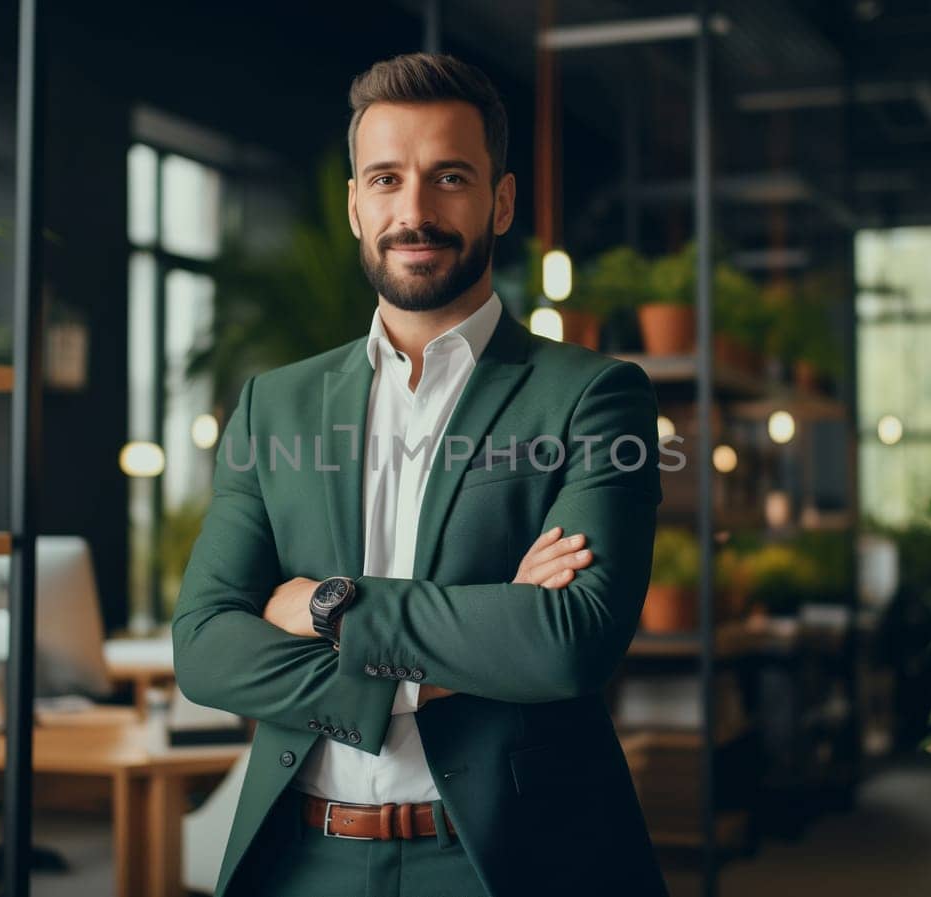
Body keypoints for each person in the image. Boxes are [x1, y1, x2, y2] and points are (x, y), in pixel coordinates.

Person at [173, 51, 668, 897]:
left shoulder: (594, 397)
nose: (415, 210)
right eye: (386, 179)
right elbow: (205, 648)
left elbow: (567, 641)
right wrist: (447, 658)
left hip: (507, 861)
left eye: (449, 177)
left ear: (500, 201)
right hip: (302, 857)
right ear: (356, 205)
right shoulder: (273, 406)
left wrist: (326, 602)